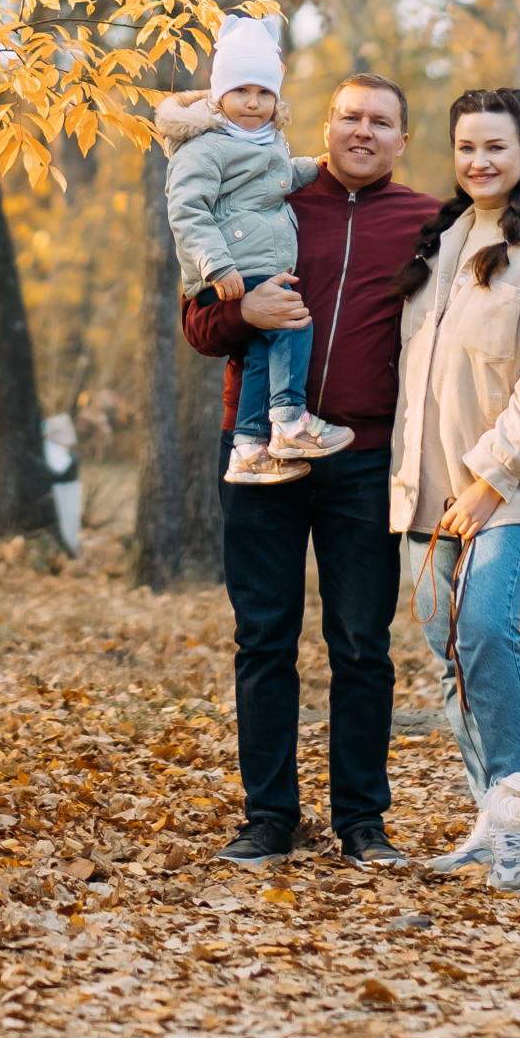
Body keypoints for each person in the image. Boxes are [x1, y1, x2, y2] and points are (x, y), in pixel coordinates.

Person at [182, 73, 441, 868]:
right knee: (264, 638)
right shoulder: (270, 195)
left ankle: (363, 822)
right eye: (349, 116)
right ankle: (269, 818)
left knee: (362, 644)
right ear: (324, 128)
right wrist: (241, 312)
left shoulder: (429, 223)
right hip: (258, 453)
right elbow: (198, 322)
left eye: (381, 122)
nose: (363, 131)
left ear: (403, 140)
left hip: (362, 459)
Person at [390, 86, 520, 811]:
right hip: (430, 492)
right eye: (466, 147)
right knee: (451, 656)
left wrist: (489, 483)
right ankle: (498, 821)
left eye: (495, 146)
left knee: (482, 628)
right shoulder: (442, 243)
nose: (479, 160)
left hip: (512, 493)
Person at [156, 15, 351, 483]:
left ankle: (247, 448)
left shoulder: (266, 140)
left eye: (264, 92)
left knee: (262, 350)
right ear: (218, 92)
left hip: (250, 263)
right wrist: (216, 264)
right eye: (241, 90)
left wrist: (313, 168)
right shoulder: (205, 146)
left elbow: (273, 178)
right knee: (292, 322)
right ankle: (289, 421)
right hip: (229, 266)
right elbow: (187, 210)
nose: (252, 102)